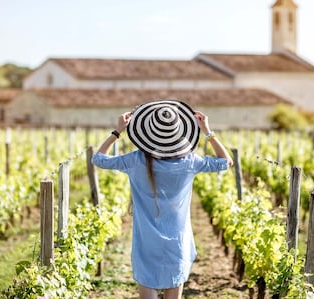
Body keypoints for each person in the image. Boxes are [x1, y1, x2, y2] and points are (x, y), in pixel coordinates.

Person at [92, 100, 233, 299]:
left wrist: (117, 132)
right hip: (178, 242)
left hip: (146, 243)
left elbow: (98, 159)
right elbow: (226, 162)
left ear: (147, 135)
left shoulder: (136, 160)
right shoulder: (190, 162)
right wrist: (207, 131)